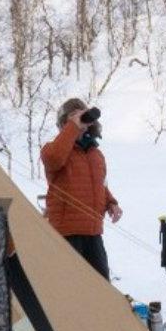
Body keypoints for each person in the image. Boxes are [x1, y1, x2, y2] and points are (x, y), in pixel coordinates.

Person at [41, 97, 122, 279]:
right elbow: (54, 159)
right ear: (63, 124)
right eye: (73, 118)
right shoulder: (51, 150)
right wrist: (72, 126)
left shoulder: (96, 154)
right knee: (71, 288)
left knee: (101, 288)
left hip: (93, 232)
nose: (80, 122)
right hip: (66, 233)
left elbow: (100, 184)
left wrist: (111, 203)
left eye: (83, 117)